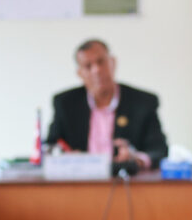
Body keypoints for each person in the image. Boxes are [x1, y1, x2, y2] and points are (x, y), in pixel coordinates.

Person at [47, 39, 168, 170]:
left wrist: (136, 159)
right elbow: (50, 146)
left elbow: (159, 150)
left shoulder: (143, 102)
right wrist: (65, 156)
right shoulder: (65, 103)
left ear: (113, 63)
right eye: (88, 66)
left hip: (125, 179)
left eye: (101, 62)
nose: (96, 70)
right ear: (80, 73)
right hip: (79, 180)